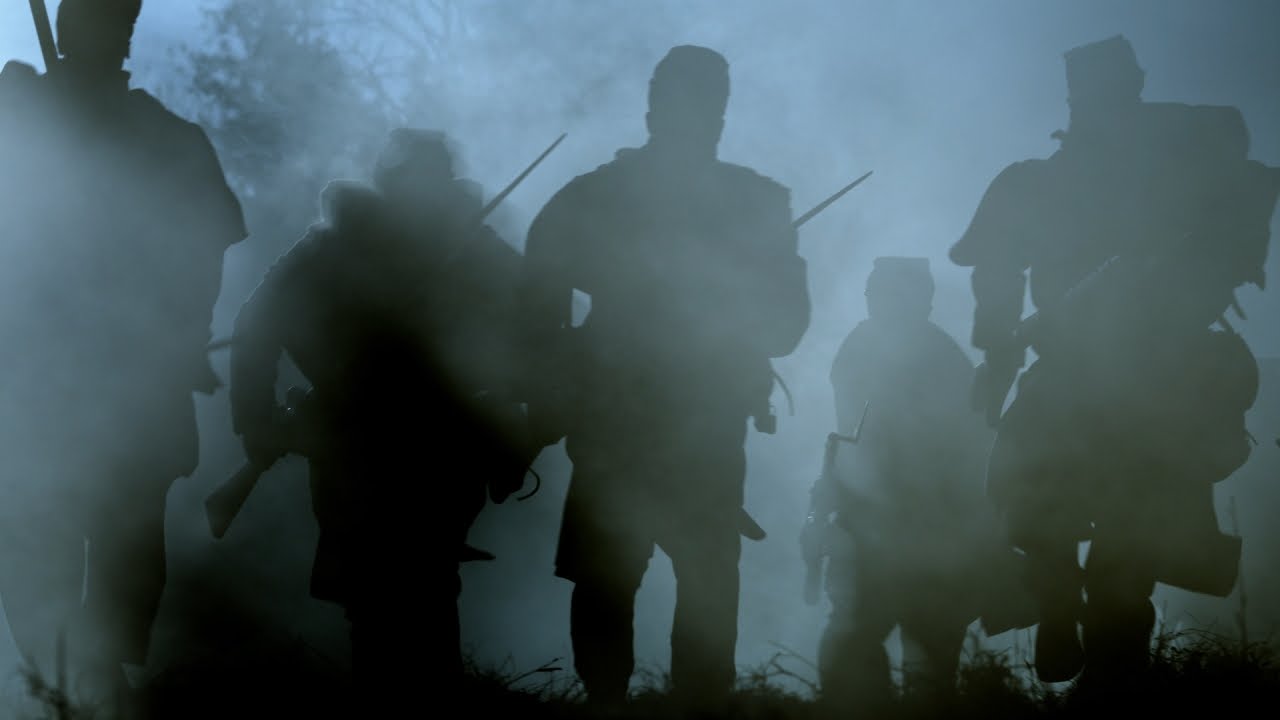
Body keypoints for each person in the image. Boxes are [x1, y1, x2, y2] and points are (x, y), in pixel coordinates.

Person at [950, 35, 1280, 689]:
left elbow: (1237, 187)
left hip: (1159, 376)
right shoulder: (1037, 182)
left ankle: (1111, 677)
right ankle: (1058, 603)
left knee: (1132, 535)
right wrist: (997, 350)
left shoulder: (1185, 171)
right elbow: (995, 268)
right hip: (1074, 368)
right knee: (1027, 499)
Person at [515, 45, 811, 712]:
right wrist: (560, 384)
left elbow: (784, 325)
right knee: (622, 573)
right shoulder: (743, 200)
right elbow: (537, 305)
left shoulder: (606, 197)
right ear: (655, 114)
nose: (700, 122)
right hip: (630, 416)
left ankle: (673, 704)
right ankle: (629, 703)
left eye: (707, 109)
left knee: (685, 574)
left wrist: (732, 310)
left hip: (687, 418)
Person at [228, 128, 531, 705]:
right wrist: (255, 421)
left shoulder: (467, 243)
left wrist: (514, 409)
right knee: (384, 592)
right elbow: (257, 326)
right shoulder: (339, 248)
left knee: (422, 585)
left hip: (437, 441)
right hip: (361, 438)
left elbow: (533, 315)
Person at [0, 0, 246, 708]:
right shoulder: (26, 114)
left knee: (120, 548)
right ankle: (63, 682)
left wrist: (180, 337)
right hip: (37, 382)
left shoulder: (166, 137)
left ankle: (93, 679)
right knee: (38, 545)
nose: (97, 35)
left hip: (128, 380)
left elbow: (203, 251)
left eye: (109, 23)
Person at [807, 257, 1031, 711]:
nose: (878, 303)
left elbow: (965, 446)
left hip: (922, 522)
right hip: (887, 522)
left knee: (902, 636)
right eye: (876, 293)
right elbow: (852, 441)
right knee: (877, 635)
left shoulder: (916, 355)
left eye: (886, 294)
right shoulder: (878, 351)